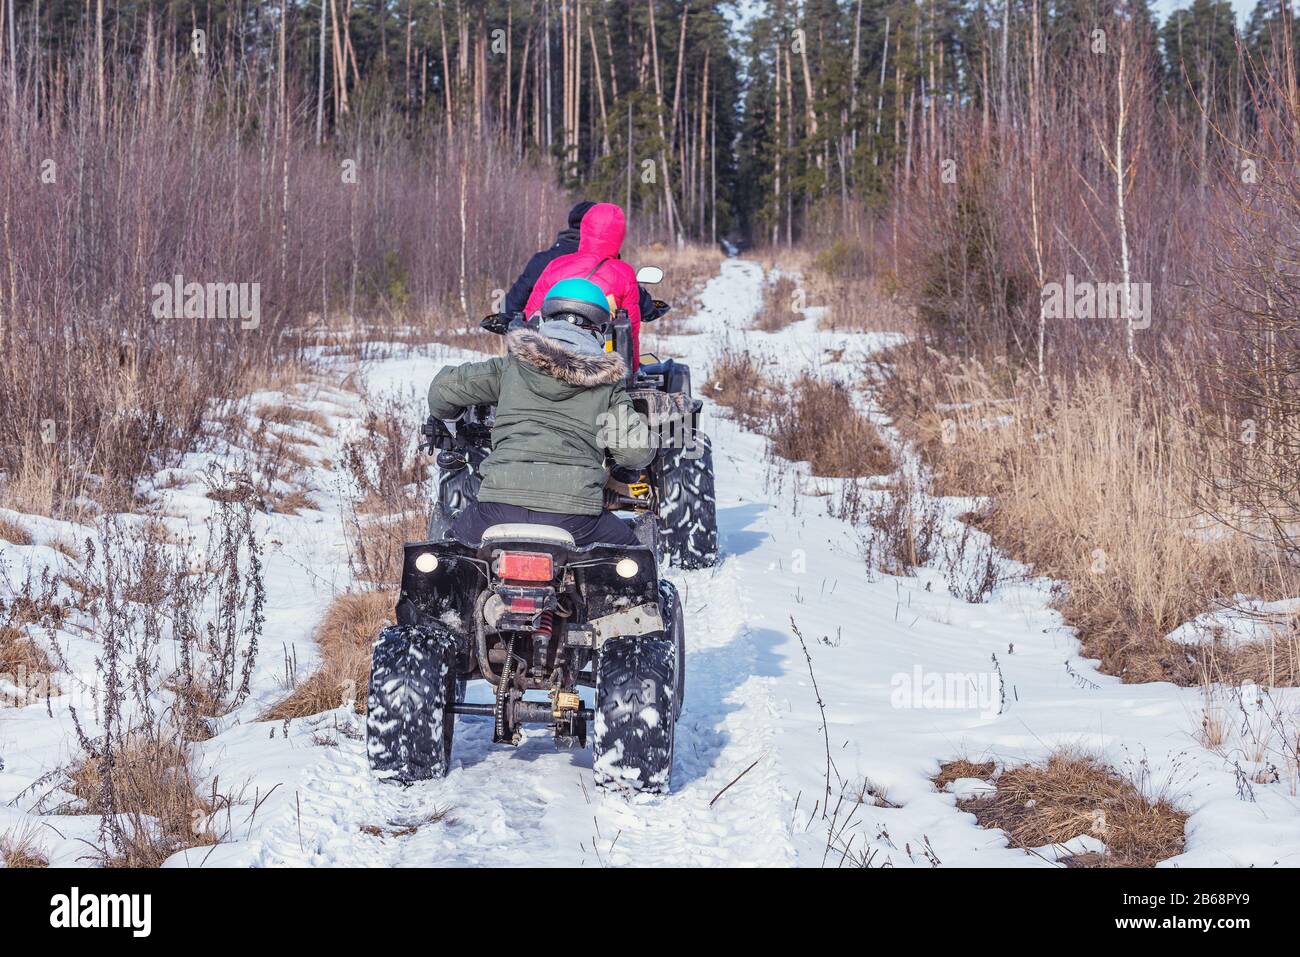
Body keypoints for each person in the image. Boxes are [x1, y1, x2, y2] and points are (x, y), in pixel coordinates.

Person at [428, 277, 654, 547]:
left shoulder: (510, 367)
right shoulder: (607, 384)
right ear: (599, 330)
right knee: (635, 558)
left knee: (451, 561)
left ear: (545, 320)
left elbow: (442, 389)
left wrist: (453, 422)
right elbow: (635, 452)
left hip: (497, 510)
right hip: (576, 518)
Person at [523, 202, 645, 370]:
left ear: (585, 229)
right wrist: (633, 369)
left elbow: (531, 314)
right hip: (596, 366)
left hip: (549, 361)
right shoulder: (624, 273)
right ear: (619, 235)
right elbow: (630, 333)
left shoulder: (556, 265)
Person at [504, 200, 657, 323]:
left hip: (551, 351)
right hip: (601, 354)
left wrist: (511, 323)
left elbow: (518, 307)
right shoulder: (618, 270)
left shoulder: (547, 262)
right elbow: (639, 312)